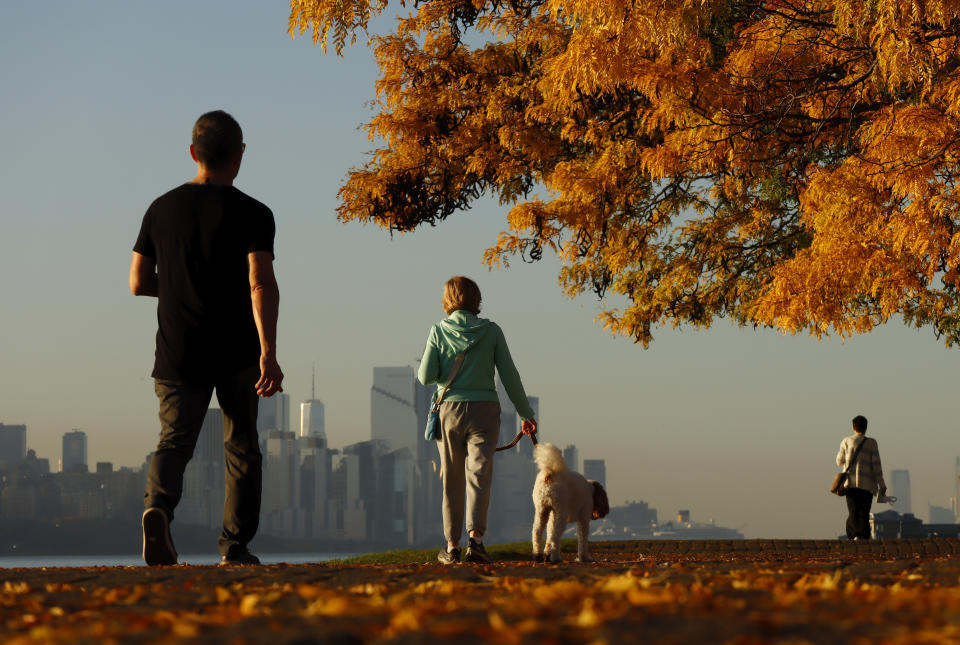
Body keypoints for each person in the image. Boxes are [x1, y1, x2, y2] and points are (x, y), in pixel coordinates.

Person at [129, 110, 283, 566]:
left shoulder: (161, 208)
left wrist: (177, 284)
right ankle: (234, 546)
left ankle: (157, 506)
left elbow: (138, 281)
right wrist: (269, 353)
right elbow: (260, 282)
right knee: (242, 448)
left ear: (193, 153)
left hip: (179, 348)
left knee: (174, 441)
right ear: (238, 157)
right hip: (238, 350)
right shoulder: (255, 213)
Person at [417, 276, 538, 564]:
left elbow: (424, 377)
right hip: (485, 409)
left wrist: (443, 375)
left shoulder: (438, 331)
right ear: (476, 299)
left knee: (452, 479)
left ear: (447, 300)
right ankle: (476, 540)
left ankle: (451, 546)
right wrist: (526, 414)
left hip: (449, 410)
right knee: (479, 475)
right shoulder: (492, 331)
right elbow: (510, 376)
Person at [836, 415, 886, 540]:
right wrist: (882, 484)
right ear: (866, 428)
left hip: (850, 484)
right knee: (864, 512)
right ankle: (863, 536)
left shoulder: (846, 441)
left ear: (853, 427)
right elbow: (877, 466)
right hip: (867, 485)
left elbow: (839, 462)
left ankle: (854, 535)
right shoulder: (872, 443)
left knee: (853, 510)